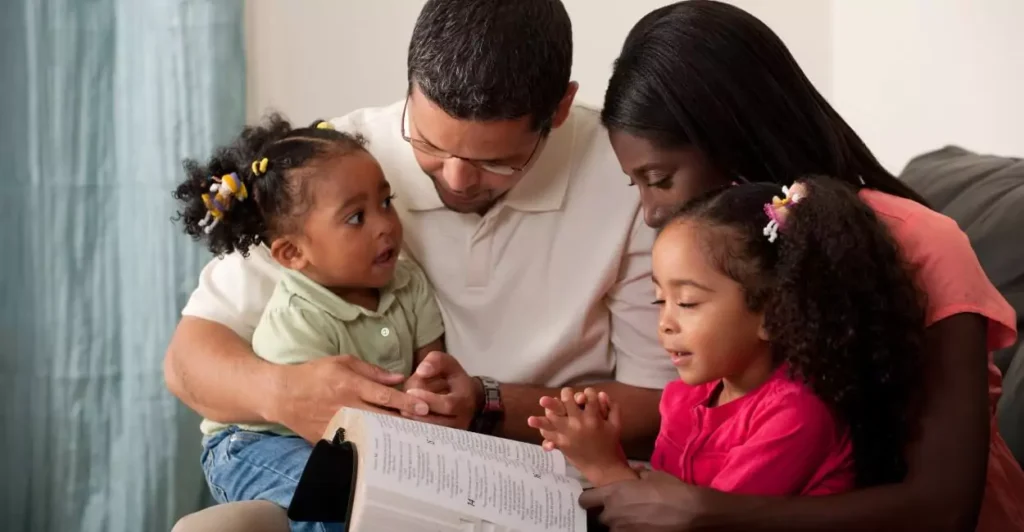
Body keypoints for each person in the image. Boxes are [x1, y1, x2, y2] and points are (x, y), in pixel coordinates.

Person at [168, 0, 674, 530]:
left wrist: (487, 404)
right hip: (388, 470)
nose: (456, 179)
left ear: (561, 109)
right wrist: (285, 393)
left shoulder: (624, 175)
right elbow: (188, 360)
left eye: (496, 162)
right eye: (429, 144)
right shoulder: (338, 167)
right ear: (411, 85)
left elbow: (659, 406)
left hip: (539, 482)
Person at [580, 1, 1024, 531]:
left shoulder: (921, 244)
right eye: (638, 184)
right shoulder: (728, 261)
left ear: (730, 139)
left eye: (660, 178)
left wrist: (708, 513)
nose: (650, 213)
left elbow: (944, 507)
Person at [534, 179, 926, 498]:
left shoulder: (797, 417)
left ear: (773, 315)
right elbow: (665, 497)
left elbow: (695, 524)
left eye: (687, 302)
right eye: (660, 299)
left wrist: (604, 466)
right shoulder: (686, 397)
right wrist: (602, 443)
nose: (665, 323)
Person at [171, 115, 447, 532]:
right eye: (357, 218)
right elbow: (320, 426)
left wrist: (429, 391)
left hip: (342, 441)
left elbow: (433, 366)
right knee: (339, 498)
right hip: (256, 443)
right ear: (292, 255)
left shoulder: (408, 284)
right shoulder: (297, 318)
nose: (385, 225)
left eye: (386, 202)